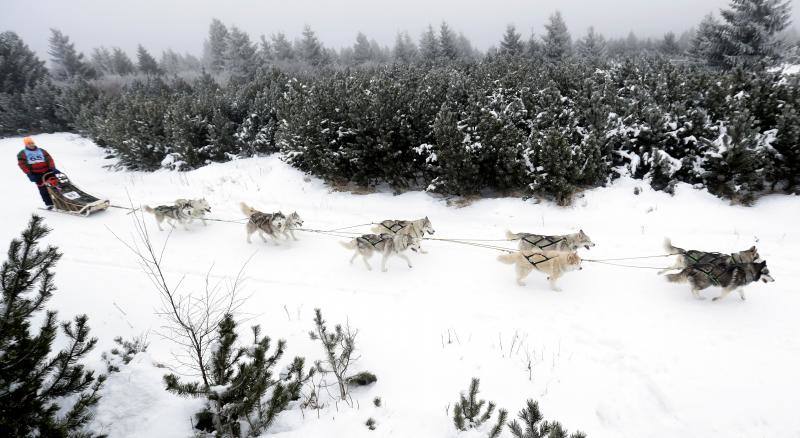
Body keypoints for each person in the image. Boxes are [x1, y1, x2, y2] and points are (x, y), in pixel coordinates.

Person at [17, 137, 57, 208]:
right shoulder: (22, 153)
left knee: (56, 185)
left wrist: (53, 167)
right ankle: (49, 203)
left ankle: (61, 200)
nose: (31, 145)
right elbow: (22, 165)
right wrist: (29, 174)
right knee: (43, 189)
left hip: (48, 171)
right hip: (36, 173)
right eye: (29, 144)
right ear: (26, 145)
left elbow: (49, 159)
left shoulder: (41, 150)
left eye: (32, 143)